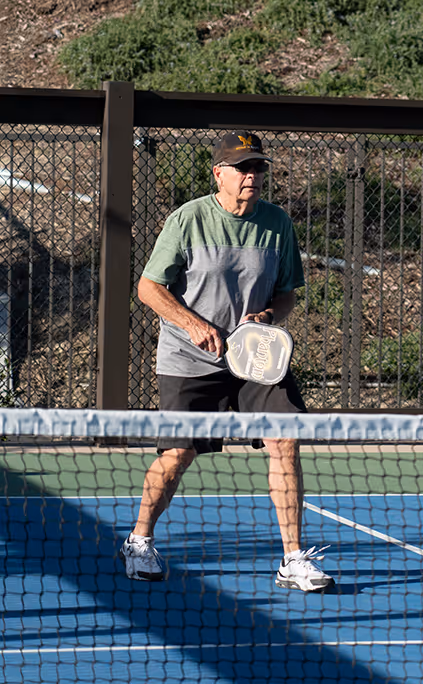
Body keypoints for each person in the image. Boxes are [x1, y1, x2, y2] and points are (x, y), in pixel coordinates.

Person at [119, 132, 334, 593]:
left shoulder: (277, 223)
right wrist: (193, 324)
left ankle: (293, 558)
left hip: (255, 358)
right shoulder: (189, 219)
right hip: (188, 357)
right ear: (218, 173)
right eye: (242, 168)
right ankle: (139, 540)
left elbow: (287, 291)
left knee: (285, 441)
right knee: (177, 455)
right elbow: (149, 288)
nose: (252, 176)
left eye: (257, 168)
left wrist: (269, 316)